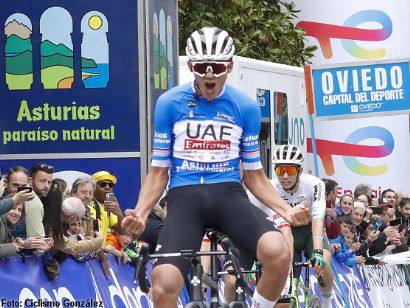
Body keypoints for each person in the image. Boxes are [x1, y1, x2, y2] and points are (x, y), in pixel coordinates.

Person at [122, 26, 310, 308]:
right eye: (201, 66)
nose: (209, 73)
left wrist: (286, 210)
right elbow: (159, 171)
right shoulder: (169, 103)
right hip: (184, 198)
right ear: (191, 66)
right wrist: (141, 212)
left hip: (229, 197)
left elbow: (254, 177)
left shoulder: (245, 107)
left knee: (279, 253)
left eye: (217, 66)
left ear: (230, 66)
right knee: (163, 286)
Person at [262, 144, 334, 308]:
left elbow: (318, 218)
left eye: (290, 170)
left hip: (310, 231)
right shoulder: (271, 187)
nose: (285, 176)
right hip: (286, 232)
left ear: (300, 171)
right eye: (280, 170)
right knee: (284, 276)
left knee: (324, 263)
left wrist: (317, 252)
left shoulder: (315, 184)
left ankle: (327, 303)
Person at [91, 171, 124, 245]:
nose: (107, 187)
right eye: (103, 184)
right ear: (93, 188)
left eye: (110, 185)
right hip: (89, 253)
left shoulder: (108, 207)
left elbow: (122, 231)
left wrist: (119, 214)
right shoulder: (87, 204)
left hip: (100, 252)